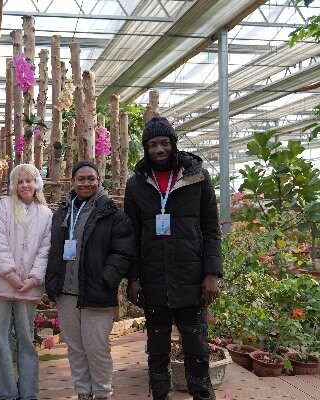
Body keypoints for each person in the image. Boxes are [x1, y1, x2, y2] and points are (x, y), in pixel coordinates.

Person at [124, 116, 222, 400]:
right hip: (154, 281)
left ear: (174, 144)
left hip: (192, 280)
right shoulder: (136, 185)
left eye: (164, 143)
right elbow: (132, 235)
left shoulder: (197, 178)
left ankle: (202, 395)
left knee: (197, 349)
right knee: (157, 351)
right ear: (146, 148)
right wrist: (133, 278)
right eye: (153, 144)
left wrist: (212, 273)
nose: (159, 149)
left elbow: (211, 229)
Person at [45, 160, 135, 400]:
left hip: (96, 292)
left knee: (97, 348)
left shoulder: (112, 215)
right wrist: (52, 280)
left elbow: (123, 252)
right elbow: (53, 248)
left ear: (99, 181)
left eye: (91, 178)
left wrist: (107, 279)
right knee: (75, 348)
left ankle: (103, 393)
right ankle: (83, 392)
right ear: (73, 182)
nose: (86, 183)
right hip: (66, 292)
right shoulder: (63, 211)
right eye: (81, 179)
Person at [0, 164, 53, 400]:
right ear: (14, 185)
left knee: (26, 339)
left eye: (29, 180)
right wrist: (10, 275)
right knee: (1, 338)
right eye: (20, 181)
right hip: (1, 284)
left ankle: (28, 392)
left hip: (29, 286)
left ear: (37, 184)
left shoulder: (46, 214)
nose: (25, 185)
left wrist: (34, 278)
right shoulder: (3, 207)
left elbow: (46, 250)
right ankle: (5, 392)